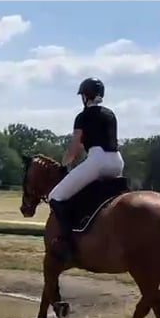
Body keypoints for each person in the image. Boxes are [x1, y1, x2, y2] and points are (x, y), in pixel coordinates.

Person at [48, 77, 125, 263]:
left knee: (55, 196)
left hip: (97, 161)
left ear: (85, 96)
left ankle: (66, 241)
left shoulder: (82, 117)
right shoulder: (110, 114)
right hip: (117, 162)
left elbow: (75, 148)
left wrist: (65, 162)